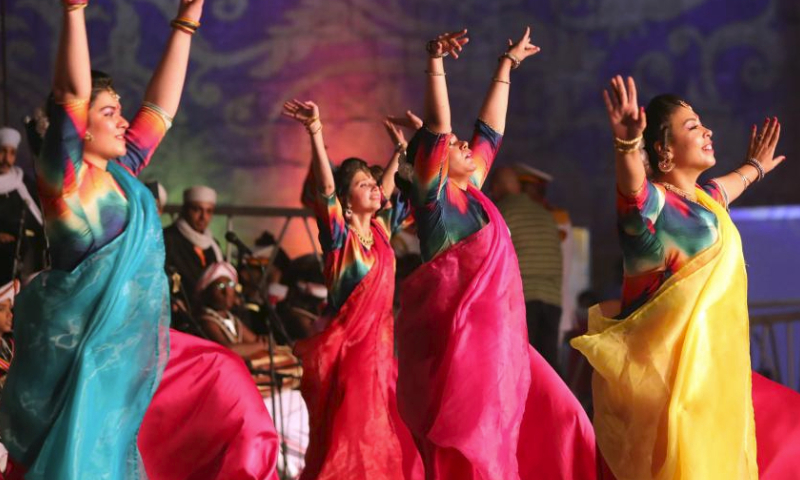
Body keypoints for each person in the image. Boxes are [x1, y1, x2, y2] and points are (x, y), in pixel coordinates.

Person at [0, 2, 279, 478]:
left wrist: (186, 20)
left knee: (229, 384)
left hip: (135, 349)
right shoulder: (62, 182)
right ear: (79, 126)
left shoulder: (123, 175)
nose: (124, 121)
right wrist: (74, 11)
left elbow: (161, 110)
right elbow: (70, 90)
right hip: (86, 357)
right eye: (109, 112)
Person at [571, 75, 800, 479]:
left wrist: (755, 168)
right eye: (692, 126)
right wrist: (626, 144)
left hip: (715, 384)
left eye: (702, 123)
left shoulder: (706, 199)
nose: (707, 130)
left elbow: (731, 186)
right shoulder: (652, 210)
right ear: (663, 150)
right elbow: (631, 191)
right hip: (672, 395)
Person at [393, 27, 596, 480]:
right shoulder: (435, 203)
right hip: (469, 354)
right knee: (481, 451)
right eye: (454, 147)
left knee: (567, 421)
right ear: (433, 163)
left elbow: (489, 132)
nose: (467, 146)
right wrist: (435, 62)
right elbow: (440, 129)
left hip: (507, 347)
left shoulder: (476, 196)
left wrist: (506, 66)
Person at [282, 99, 421, 479]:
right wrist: (316, 130)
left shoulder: (381, 230)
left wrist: (400, 151)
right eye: (363, 184)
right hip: (351, 358)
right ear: (345, 203)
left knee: (385, 438)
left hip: (382, 356)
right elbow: (325, 189)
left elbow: (389, 185)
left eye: (374, 183)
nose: (374, 187)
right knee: (355, 440)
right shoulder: (339, 239)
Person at [491, 166, 563, 371]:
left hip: (522, 299)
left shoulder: (501, 211)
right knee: (548, 367)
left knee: (520, 366)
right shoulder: (546, 215)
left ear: (496, 188)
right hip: (552, 299)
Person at [196, 261, 272, 358]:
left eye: (231, 285)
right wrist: (261, 345)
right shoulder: (206, 321)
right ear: (207, 292)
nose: (226, 291)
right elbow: (229, 350)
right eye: (220, 286)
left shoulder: (232, 319)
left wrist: (264, 341)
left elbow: (255, 340)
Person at [0, 127, 46, 283]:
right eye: (2, 151)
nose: (6, 159)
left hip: (25, 261)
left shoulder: (23, 183)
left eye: (12, 153)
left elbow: (39, 220)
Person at [163, 184, 223, 301]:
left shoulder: (213, 245)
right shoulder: (168, 239)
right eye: (197, 209)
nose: (203, 217)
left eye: (209, 211)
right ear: (185, 210)